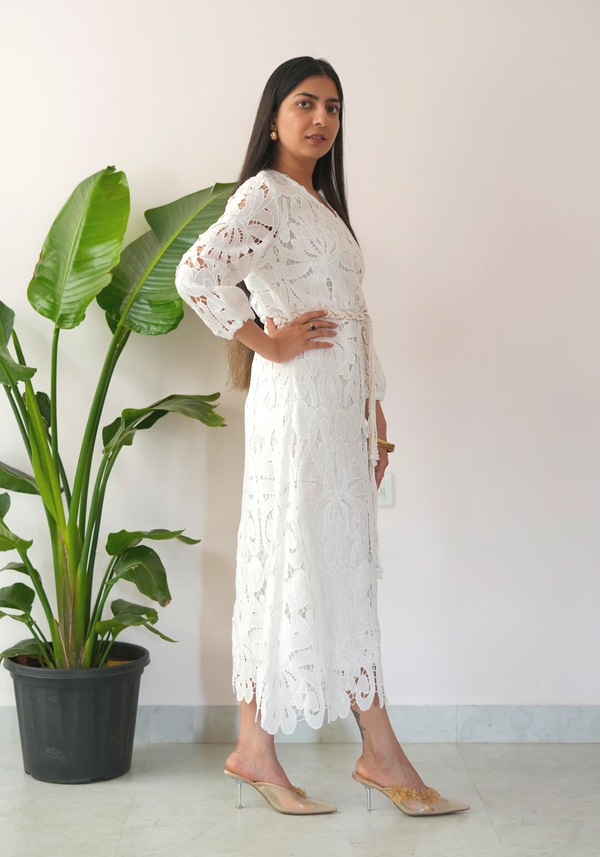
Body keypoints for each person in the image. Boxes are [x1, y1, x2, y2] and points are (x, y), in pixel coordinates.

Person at [175, 56, 470, 818]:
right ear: (273, 115)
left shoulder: (317, 202)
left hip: (338, 408)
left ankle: (273, 748)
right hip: (298, 402)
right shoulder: (265, 194)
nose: (321, 119)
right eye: (305, 103)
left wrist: (372, 407)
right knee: (300, 556)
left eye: (333, 107)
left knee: (326, 559)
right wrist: (265, 342)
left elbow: (352, 309)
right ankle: (370, 750)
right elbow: (196, 272)